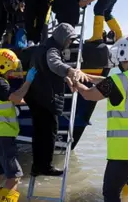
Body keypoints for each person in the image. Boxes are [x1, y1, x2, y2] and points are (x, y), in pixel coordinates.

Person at [73, 34, 128, 202]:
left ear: (124, 55)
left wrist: (75, 82)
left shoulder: (117, 81)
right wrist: (89, 77)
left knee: (111, 192)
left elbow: (89, 95)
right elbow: (111, 84)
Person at [24, 23, 90, 176]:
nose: (70, 43)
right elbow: (53, 63)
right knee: (49, 133)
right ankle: (45, 167)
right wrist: (69, 70)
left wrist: (65, 77)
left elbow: (46, 69)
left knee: (39, 133)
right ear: (62, 38)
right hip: (46, 98)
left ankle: (36, 167)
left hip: (35, 96)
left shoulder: (42, 47)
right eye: (69, 40)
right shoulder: (53, 50)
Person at [0, 48, 37, 202]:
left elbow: (14, 99)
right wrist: (29, 81)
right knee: (14, 177)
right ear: (2, 65)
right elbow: (15, 97)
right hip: (2, 134)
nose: (11, 74)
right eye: (10, 70)